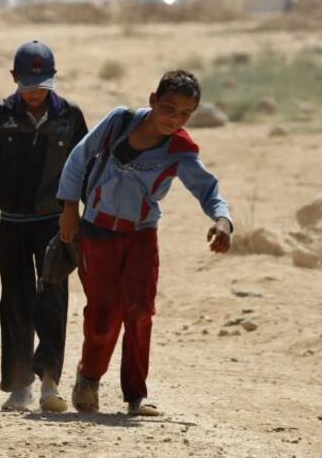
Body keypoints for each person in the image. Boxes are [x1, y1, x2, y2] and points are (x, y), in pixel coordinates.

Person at [57, 70, 233, 416]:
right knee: (103, 314)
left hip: (141, 235)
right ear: (153, 100)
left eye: (185, 114)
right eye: (169, 108)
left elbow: (207, 189)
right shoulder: (119, 122)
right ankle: (89, 378)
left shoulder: (180, 150)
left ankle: (136, 396)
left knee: (140, 312)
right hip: (97, 231)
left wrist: (222, 220)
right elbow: (79, 158)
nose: (175, 119)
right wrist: (69, 210)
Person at [0, 40, 88, 412]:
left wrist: (80, 214)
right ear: (14, 77)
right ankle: (20, 386)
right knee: (15, 302)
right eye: (28, 83)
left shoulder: (70, 115)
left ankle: (50, 383)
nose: (35, 93)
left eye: (43, 83)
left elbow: (86, 168)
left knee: (53, 298)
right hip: (13, 223)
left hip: (55, 223)